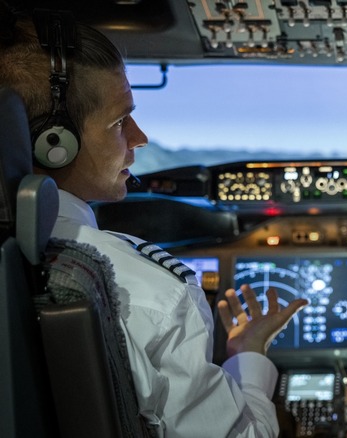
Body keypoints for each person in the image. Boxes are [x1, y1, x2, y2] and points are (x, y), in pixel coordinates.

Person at [0, 5, 307, 437]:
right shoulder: (148, 294)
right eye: (119, 121)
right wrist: (249, 353)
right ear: (55, 143)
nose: (140, 138)